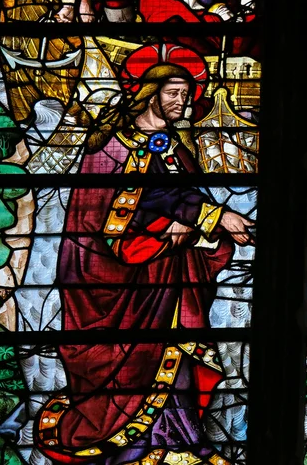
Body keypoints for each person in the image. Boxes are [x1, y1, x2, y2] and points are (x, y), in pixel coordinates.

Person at [34, 44, 254, 465]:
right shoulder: (110, 149)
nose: (182, 102)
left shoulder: (170, 146)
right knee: (132, 358)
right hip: (116, 282)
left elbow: (180, 193)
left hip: (165, 276)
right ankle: (135, 447)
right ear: (150, 94)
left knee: (176, 355)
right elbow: (118, 213)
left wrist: (204, 223)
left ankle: (180, 441)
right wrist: (207, 217)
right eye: (174, 93)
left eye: (187, 95)